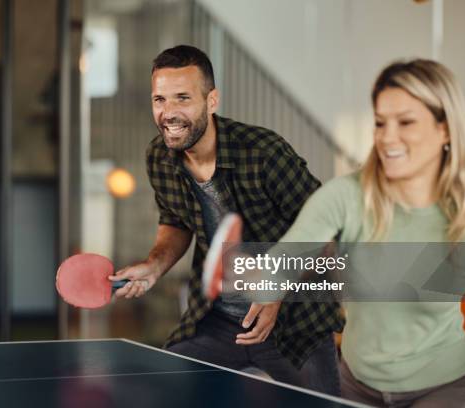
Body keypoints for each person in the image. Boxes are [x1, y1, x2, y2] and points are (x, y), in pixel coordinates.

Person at [109, 45, 344, 395]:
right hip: (217, 322)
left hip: (293, 321)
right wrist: (154, 266)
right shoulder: (159, 155)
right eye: (160, 100)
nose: (168, 113)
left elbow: (327, 229)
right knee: (167, 394)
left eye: (182, 98)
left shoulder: (263, 153)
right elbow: (175, 221)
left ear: (212, 100)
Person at [248, 59, 465, 406]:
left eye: (406, 122)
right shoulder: (348, 195)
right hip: (358, 383)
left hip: (444, 384)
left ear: (445, 128)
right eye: (381, 123)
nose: (388, 137)